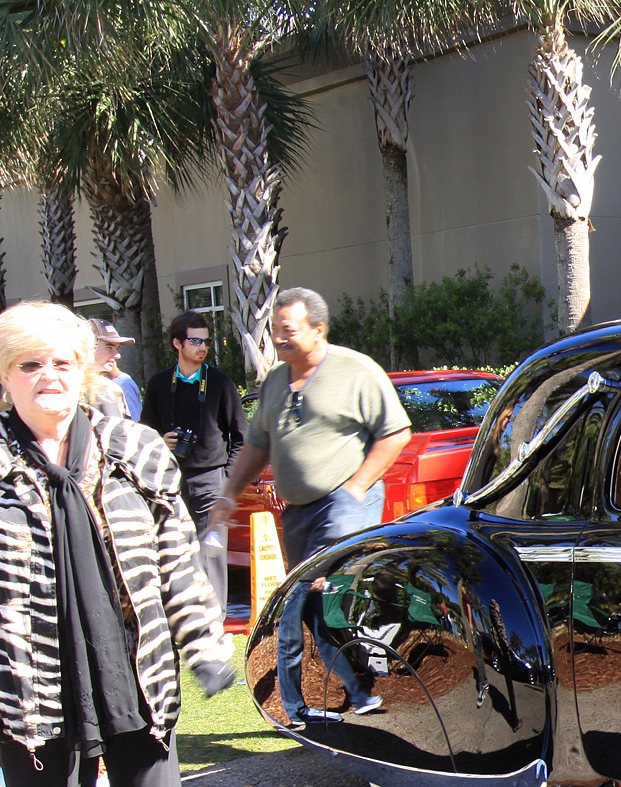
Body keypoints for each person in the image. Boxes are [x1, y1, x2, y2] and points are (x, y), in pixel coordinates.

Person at [0, 301, 236, 787]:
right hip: (32, 683)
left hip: (130, 668)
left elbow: (177, 561)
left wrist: (203, 643)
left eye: (61, 362)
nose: (48, 377)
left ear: (86, 369)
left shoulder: (134, 448)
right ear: (6, 376)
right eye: (29, 363)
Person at [213, 288, 411, 726]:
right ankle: (360, 695)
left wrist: (356, 488)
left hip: (342, 507)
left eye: (289, 330)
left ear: (318, 330)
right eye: (275, 330)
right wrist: (229, 493)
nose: (279, 339)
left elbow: (395, 433)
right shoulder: (275, 381)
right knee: (317, 612)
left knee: (304, 598)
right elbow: (257, 445)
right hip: (299, 514)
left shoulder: (355, 370)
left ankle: (296, 705)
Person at [140, 311, 245, 614]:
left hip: (211, 480)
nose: (203, 347)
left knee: (212, 551)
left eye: (207, 341)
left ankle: (214, 618)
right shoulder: (160, 384)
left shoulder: (221, 384)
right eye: (195, 341)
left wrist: (226, 479)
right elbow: (143, 433)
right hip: (169, 480)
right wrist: (161, 441)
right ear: (177, 343)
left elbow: (241, 437)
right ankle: (180, 617)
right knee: (172, 549)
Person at [90, 319, 142, 420]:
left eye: (117, 348)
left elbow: (128, 431)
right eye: (109, 347)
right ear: (88, 347)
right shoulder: (66, 388)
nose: (117, 355)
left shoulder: (117, 387)